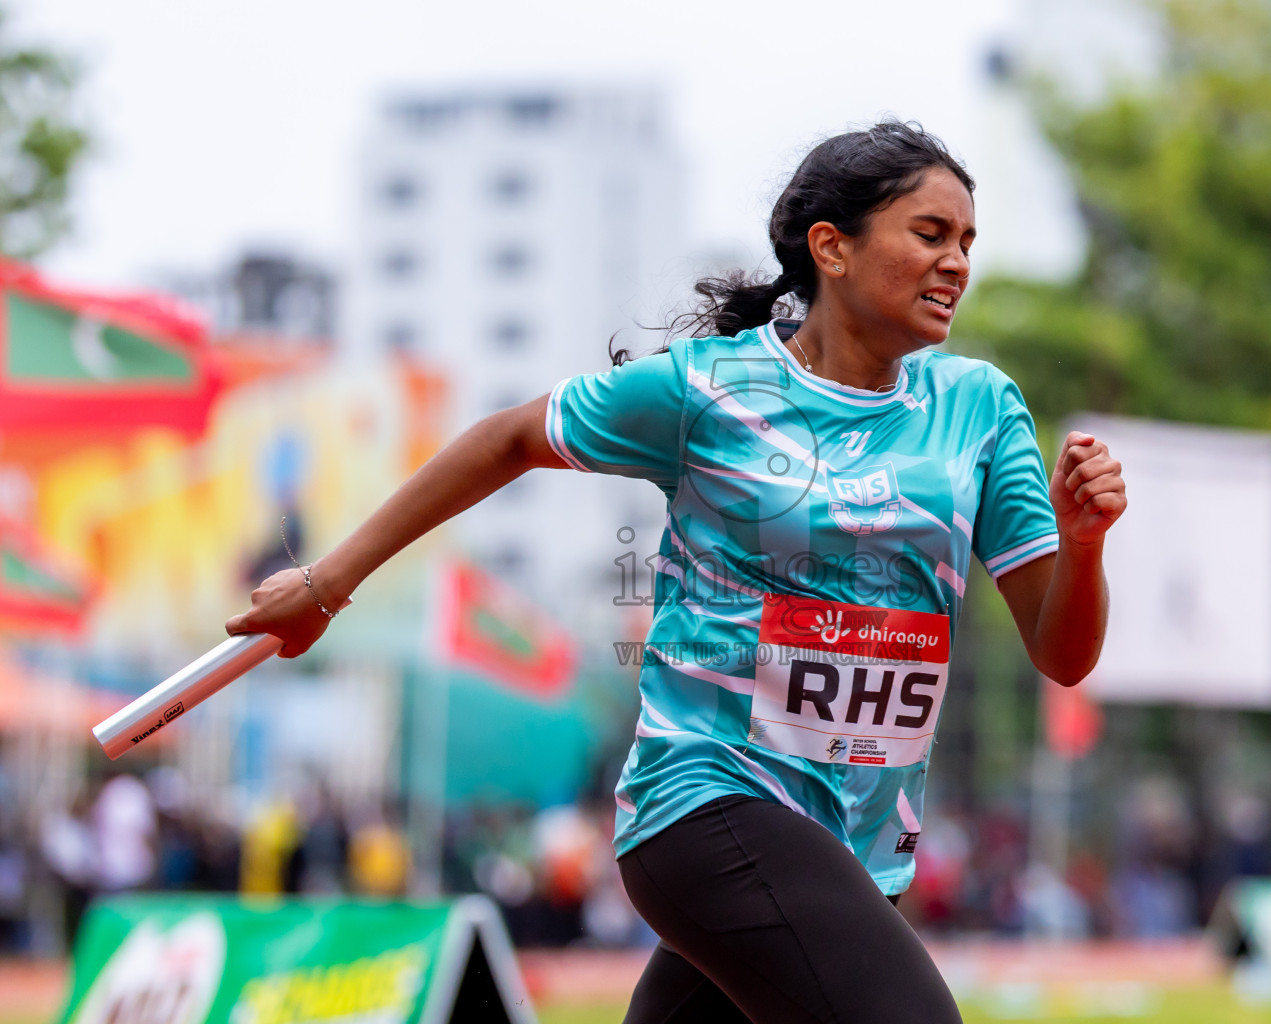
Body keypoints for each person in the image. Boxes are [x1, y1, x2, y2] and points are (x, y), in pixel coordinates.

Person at [228, 121, 1127, 1023]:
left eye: (968, 242)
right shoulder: (709, 389)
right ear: (833, 247)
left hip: (857, 843)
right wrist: (326, 583)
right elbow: (506, 438)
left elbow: (1064, 654)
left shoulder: (979, 409)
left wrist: (1083, 542)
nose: (957, 263)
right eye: (931, 234)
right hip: (706, 802)